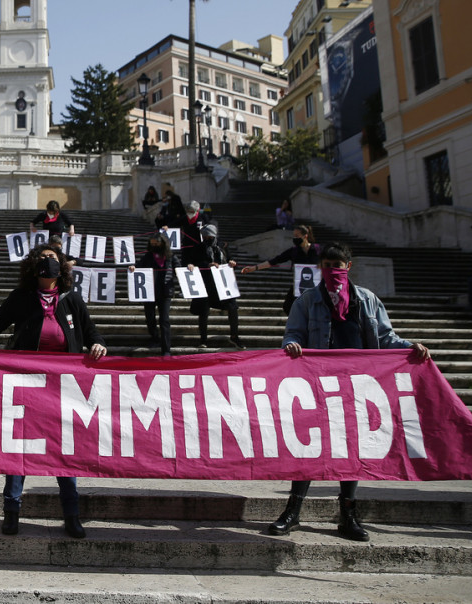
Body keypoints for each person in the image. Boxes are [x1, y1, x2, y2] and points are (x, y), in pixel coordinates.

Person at [268, 242, 431, 542]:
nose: (333, 271)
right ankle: (292, 512)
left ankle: (348, 515)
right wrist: (291, 345)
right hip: (319, 383)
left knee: (351, 448)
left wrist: (410, 346)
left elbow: (385, 336)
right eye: (327, 266)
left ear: (348, 267)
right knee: (310, 446)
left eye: (338, 266)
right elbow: (293, 333)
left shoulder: (367, 300)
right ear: (320, 268)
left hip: (358, 384)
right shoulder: (306, 300)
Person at [0, 243, 107, 539]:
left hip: (64, 387)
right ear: (33, 266)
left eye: (52, 258)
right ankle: (11, 512)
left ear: (61, 265)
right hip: (26, 385)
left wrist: (98, 343)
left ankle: (71, 515)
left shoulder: (71, 298)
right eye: (42, 258)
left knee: (66, 450)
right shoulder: (22, 297)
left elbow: (90, 331)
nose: (47, 263)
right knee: (19, 450)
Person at [242, 225, 321, 314]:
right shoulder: (294, 251)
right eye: (294, 236)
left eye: (297, 236)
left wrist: (322, 265)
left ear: (305, 236)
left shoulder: (318, 249)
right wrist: (254, 268)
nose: (295, 238)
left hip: (316, 285)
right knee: (288, 306)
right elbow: (274, 261)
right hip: (298, 285)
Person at [185, 223, 241, 348]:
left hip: (223, 284)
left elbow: (229, 259)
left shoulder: (222, 247)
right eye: (204, 236)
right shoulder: (199, 247)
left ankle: (234, 336)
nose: (206, 238)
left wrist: (232, 263)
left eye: (209, 236)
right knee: (203, 311)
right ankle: (203, 340)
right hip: (207, 284)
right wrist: (207, 265)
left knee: (233, 306)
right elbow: (192, 262)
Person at [130, 232, 180, 355]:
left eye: (156, 243)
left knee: (164, 320)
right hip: (149, 292)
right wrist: (133, 268)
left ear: (163, 243)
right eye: (152, 244)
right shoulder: (148, 256)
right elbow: (138, 266)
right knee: (150, 317)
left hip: (165, 292)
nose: (154, 245)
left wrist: (188, 268)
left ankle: (166, 348)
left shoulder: (171, 256)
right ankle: (155, 337)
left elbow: (178, 268)